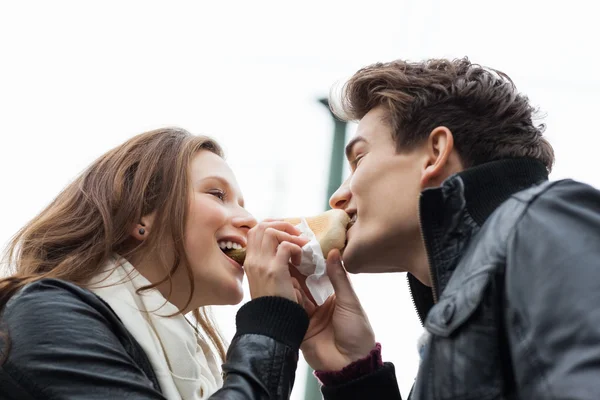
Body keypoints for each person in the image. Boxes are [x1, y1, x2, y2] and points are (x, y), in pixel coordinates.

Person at [300, 57, 600, 399]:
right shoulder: (451, 326)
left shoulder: (543, 222)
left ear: (435, 153)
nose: (338, 197)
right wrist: (355, 376)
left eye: (361, 159)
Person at [0, 127, 313, 399]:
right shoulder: (47, 313)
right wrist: (271, 321)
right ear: (140, 215)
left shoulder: (198, 364)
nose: (248, 220)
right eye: (217, 194)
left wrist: (341, 371)